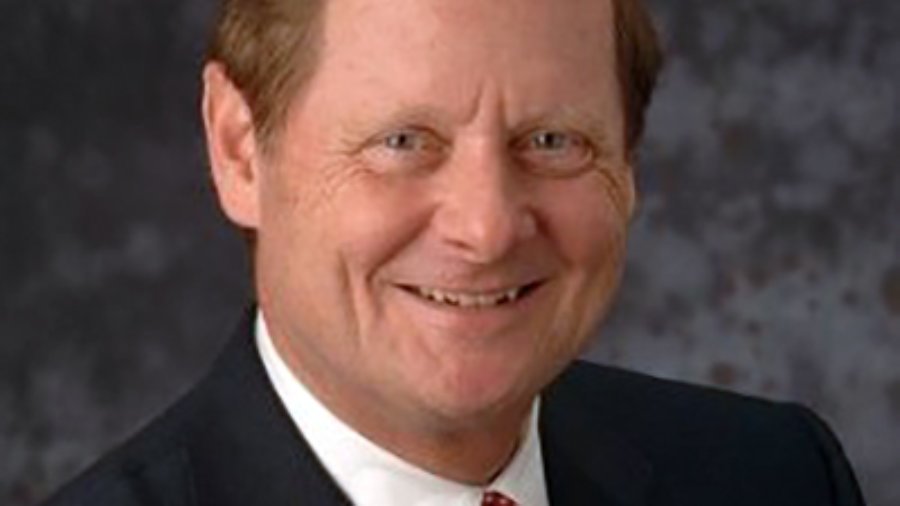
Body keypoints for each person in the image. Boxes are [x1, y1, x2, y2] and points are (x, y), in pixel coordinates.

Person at [43, 0, 866, 504]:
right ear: (239, 151)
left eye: (552, 140)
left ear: (629, 159)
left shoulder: (777, 476)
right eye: (403, 140)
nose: (487, 229)